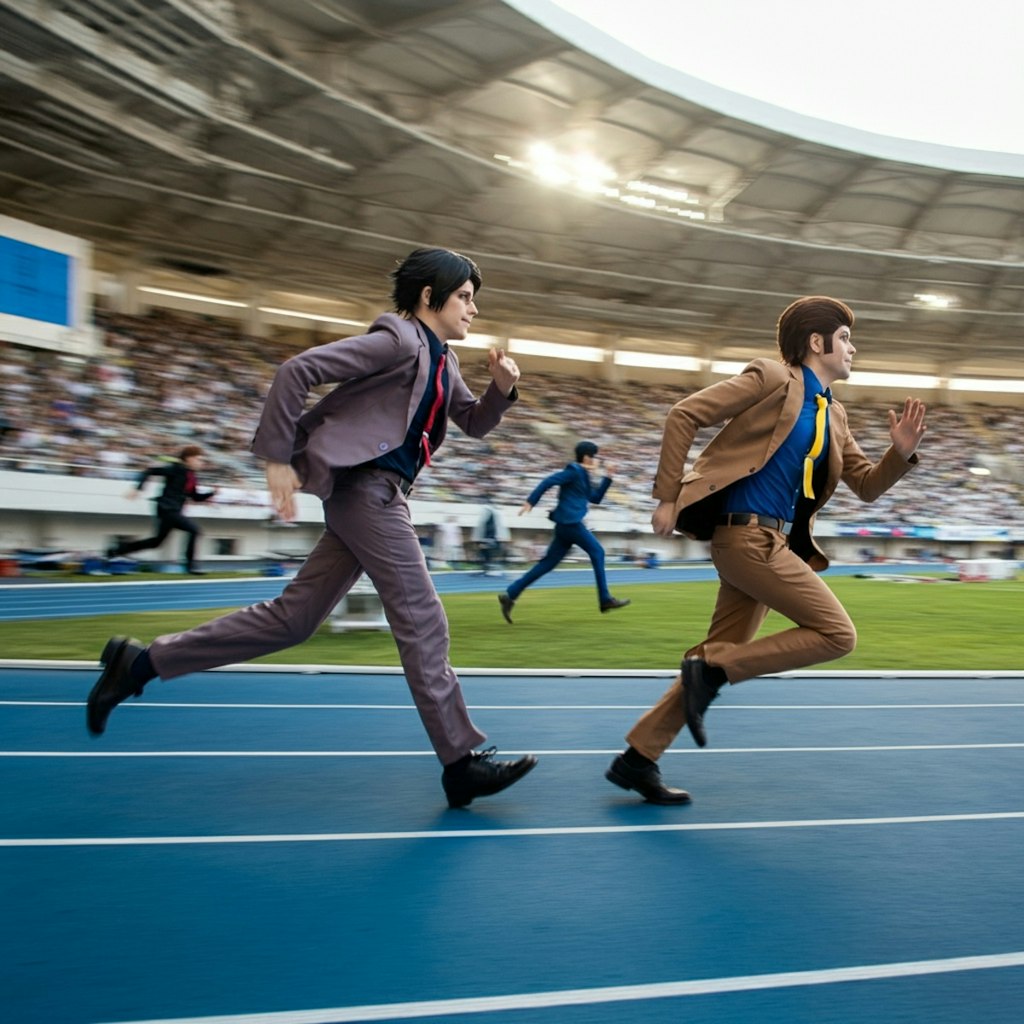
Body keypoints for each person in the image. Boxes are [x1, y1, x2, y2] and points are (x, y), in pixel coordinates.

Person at [87, 246, 538, 809]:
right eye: (465, 298)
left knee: (293, 620)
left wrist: (500, 388)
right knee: (423, 619)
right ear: (430, 297)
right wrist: (277, 458)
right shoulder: (398, 340)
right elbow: (297, 370)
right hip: (366, 492)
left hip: (378, 496)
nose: (473, 309)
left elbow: (472, 423)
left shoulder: (442, 360)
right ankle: (460, 763)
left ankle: (140, 664)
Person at [606, 296, 927, 805]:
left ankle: (637, 760)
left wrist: (901, 452)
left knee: (717, 656)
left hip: (772, 543)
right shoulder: (773, 378)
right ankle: (711, 671)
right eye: (844, 337)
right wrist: (668, 496)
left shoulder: (835, 415)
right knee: (837, 634)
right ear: (816, 343)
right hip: (745, 539)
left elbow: (865, 484)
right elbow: (684, 414)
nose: (853, 347)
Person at [498, 440, 630, 623]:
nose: (597, 460)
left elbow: (595, 498)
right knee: (598, 552)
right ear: (586, 457)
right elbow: (549, 481)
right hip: (571, 523)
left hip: (565, 526)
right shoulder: (574, 471)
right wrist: (531, 501)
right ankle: (605, 599)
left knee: (547, 564)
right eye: (595, 457)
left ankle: (510, 594)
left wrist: (608, 477)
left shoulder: (583, 475)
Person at [107, 444, 217, 574]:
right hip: (167, 508)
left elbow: (195, 497)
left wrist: (211, 493)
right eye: (199, 459)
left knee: (156, 542)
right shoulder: (175, 469)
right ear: (189, 458)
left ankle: (116, 550)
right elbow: (149, 471)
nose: (202, 463)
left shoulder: (192, 477)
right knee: (195, 530)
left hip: (174, 511)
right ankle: (190, 566)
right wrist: (138, 488)